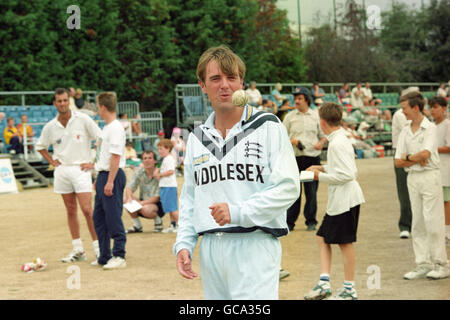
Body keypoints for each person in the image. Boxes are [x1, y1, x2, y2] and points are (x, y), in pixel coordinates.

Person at [174, 45, 300, 300]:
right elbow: (190, 198)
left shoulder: (268, 126)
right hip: (211, 247)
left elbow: (288, 187)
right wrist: (184, 243)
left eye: (231, 78)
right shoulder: (197, 137)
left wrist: (238, 211)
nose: (225, 86)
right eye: (215, 78)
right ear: (202, 85)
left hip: (254, 242)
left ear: (241, 82)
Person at [304, 102, 365, 300]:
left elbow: (348, 174)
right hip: (341, 200)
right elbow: (343, 169)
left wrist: (318, 177)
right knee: (322, 237)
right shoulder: (339, 139)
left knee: (345, 243)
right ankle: (324, 283)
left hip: (345, 201)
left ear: (322, 122)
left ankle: (349, 289)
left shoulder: (338, 142)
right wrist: (323, 168)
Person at [36, 88, 101, 263]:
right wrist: (52, 161)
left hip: (81, 170)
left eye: (65, 100)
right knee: (71, 210)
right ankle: (78, 250)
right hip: (62, 171)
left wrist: (94, 162)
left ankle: (99, 248)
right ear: (54, 103)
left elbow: (100, 138)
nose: (63, 103)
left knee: (87, 210)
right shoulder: (50, 126)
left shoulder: (83, 119)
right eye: (59, 101)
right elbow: (40, 146)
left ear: (68, 101)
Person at [394, 91, 449, 280]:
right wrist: (413, 159)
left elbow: (426, 154)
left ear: (415, 108)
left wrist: (409, 158)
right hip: (413, 178)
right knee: (417, 222)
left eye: (405, 109)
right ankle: (422, 263)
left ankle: (441, 263)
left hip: (430, 176)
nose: (403, 112)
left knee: (433, 221)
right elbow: (397, 161)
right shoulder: (405, 130)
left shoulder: (430, 128)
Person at [81, 91, 127, 270]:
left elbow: (115, 156)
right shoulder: (107, 128)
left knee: (113, 216)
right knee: (98, 217)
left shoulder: (115, 128)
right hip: (104, 174)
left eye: (98, 107)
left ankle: (119, 254)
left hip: (112, 175)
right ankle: (104, 254)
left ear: (102, 107)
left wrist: (110, 181)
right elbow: (105, 156)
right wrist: (97, 172)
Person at [283, 86, 327, 231]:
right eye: (295, 98)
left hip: (311, 160)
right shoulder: (289, 117)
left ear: (307, 100)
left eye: (300, 98)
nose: (296, 100)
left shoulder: (315, 116)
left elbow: (323, 135)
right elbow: (282, 137)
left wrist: (321, 143)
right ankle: (290, 222)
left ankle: (311, 221)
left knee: (311, 192)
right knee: (294, 192)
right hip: (295, 159)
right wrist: (293, 141)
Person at [124, 150, 164, 233]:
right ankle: (137, 226)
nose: (147, 160)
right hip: (143, 202)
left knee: (146, 209)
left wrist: (141, 203)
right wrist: (129, 198)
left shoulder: (160, 173)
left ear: (155, 161)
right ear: (142, 160)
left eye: (150, 158)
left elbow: (157, 197)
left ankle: (158, 221)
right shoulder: (139, 172)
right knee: (126, 200)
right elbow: (129, 188)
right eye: (145, 158)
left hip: (158, 205)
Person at [429, 96, 450, 243]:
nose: (432, 110)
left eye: (435, 107)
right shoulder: (431, 126)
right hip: (433, 169)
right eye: (431, 107)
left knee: (446, 201)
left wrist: (430, 150)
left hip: (445, 168)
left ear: (444, 108)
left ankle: (447, 231)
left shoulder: (447, 125)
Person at [391, 108, 413, 238]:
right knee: (404, 192)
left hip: (417, 154)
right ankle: (405, 225)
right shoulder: (400, 115)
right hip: (402, 153)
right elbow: (408, 128)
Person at [154, 138, 179, 233]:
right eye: (159, 149)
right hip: (165, 185)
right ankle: (173, 225)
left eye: (161, 149)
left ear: (168, 149)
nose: (159, 151)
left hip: (169, 186)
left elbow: (171, 171)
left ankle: (181, 225)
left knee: (173, 208)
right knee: (169, 208)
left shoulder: (169, 159)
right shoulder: (165, 159)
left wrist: (159, 174)